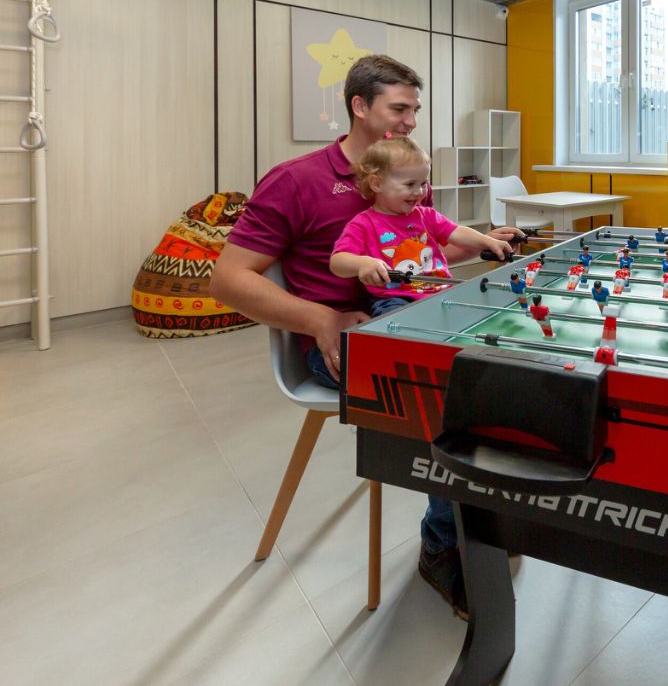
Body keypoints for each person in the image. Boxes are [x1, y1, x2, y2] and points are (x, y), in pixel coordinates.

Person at [211, 54, 520, 621]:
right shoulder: (295, 180)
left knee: (504, 365)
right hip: (336, 345)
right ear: (359, 106)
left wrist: (482, 242)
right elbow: (227, 280)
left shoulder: (408, 173)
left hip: (411, 323)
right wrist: (319, 319)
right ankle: (443, 545)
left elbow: (416, 259)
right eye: (399, 108)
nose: (411, 121)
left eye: (415, 110)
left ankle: (476, 511)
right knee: (456, 393)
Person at [329, 137, 511, 317]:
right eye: (410, 184)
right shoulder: (363, 224)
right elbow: (337, 262)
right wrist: (362, 264)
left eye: (423, 183)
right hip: (395, 299)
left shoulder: (427, 215)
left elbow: (457, 232)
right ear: (377, 184)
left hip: (441, 291)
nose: (419, 192)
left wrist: (487, 241)